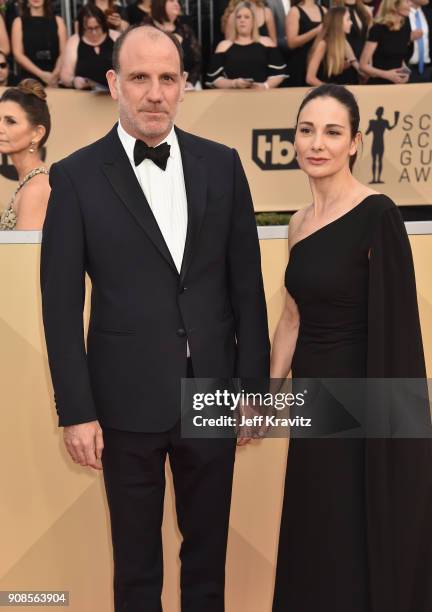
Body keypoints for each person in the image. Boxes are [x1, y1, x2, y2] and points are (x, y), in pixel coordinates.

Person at [40, 23, 270, 612]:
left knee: (207, 564)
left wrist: (253, 390)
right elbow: (61, 308)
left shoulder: (222, 166)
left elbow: (248, 288)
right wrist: (77, 410)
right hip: (123, 402)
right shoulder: (75, 177)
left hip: (213, 395)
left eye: (168, 78)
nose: (154, 92)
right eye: (140, 77)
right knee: (136, 569)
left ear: (184, 85)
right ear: (114, 82)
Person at [271, 83, 432, 612]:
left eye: (333, 132)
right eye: (307, 130)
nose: (317, 143)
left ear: (356, 143)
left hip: (361, 410)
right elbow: (292, 317)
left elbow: (398, 330)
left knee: (351, 537)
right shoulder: (296, 224)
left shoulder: (377, 214)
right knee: (315, 532)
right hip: (311, 406)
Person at [0, 78, 50, 230]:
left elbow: (25, 254)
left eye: (10, 121)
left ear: (37, 133)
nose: (0, 128)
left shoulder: (35, 190)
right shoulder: (30, 183)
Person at [206, 1, 288, 88]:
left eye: (247, 17)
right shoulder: (223, 46)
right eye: (238, 17)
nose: (242, 20)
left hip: (262, 95)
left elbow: (279, 74)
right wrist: (234, 83)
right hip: (231, 96)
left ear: (253, 21)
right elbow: (215, 79)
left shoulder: (267, 43)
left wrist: (264, 85)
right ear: (234, 21)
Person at [60, 5, 120, 89]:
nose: (94, 32)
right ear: (82, 27)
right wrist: (74, 81)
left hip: (113, 95)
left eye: (97, 27)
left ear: (103, 24)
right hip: (84, 97)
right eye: (89, 29)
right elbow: (65, 76)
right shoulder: (74, 41)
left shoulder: (116, 37)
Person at [146, 0, 202, 89]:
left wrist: (190, 82)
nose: (177, 4)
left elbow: (197, 61)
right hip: (155, 87)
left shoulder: (186, 30)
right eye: (172, 1)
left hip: (187, 87)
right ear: (160, 3)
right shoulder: (145, 30)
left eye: (177, 1)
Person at [11, 0, 67, 86]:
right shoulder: (18, 22)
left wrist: (55, 75)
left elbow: (64, 52)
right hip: (29, 79)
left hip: (56, 78)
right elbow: (18, 54)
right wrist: (41, 74)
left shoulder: (58, 21)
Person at [359, 0, 415, 84]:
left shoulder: (405, 27)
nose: (411, 4)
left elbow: (399, 58)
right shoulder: (377, 29)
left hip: (399, 84)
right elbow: (363, 66)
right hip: (379, 85)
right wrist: (387, 75)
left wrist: (405, 72)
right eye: (407, 1)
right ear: (394, 5)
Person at [306, 6, 360, 85]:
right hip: (328, 92)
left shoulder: (342, 42)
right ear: (338, 22)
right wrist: (332, 90)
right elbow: (310, 78)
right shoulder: (323, 44)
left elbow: (332, 69)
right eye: (348, 19)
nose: (351, 22)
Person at [285, 0, 326, 86]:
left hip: (320, 63)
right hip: (300, 64)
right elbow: (291, 43)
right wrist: (316, 31)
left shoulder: (324, 10)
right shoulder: (294, 11)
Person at [407, 0, 432, 82]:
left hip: (428, 69)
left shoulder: (428, 11)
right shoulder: (400, 13)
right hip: (406, 69)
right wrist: (407, 38)